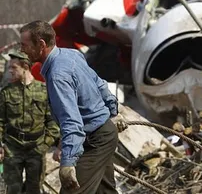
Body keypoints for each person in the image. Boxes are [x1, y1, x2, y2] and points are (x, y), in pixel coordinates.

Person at [19, 20, 124, 194]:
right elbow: (99, 83)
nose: (22, 50)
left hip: (95, 140)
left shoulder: (57, 76)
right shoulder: (71, 55)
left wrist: (67, 163)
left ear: (41, 44)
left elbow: (71, 121)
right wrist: (113, 111)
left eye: (25, 45)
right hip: (103, 133)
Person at [0, 50, 60, 194]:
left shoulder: (44, 91)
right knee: (13, 189)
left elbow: (53, 122)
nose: (10, 71)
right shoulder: (6, 92)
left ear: (25, 67)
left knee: (33, 189)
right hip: (12, 148)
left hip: (36, 148)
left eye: (14, 67)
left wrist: (44, 145)